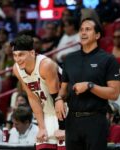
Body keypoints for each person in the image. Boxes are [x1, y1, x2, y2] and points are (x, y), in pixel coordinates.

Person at [55, 18, 120, 150]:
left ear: (97, 35)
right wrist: (59, 99)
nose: (83, 33)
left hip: (96, 120)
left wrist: (90, 86)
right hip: (72, 120)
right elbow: (63, 90)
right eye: (81, 30)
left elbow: (114, 94)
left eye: (88, 29)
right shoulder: (70, 59)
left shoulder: (108, 59)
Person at [11, 34, 64, 149]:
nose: (17, 59)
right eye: (15, 55)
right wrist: (41, 127)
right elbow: (32, 97)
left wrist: (62, 127)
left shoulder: (46, 65)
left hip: (66, 112)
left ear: (32, 53)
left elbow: (58, 98)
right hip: (48, 113)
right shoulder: (16, 69)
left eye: (21, 55)